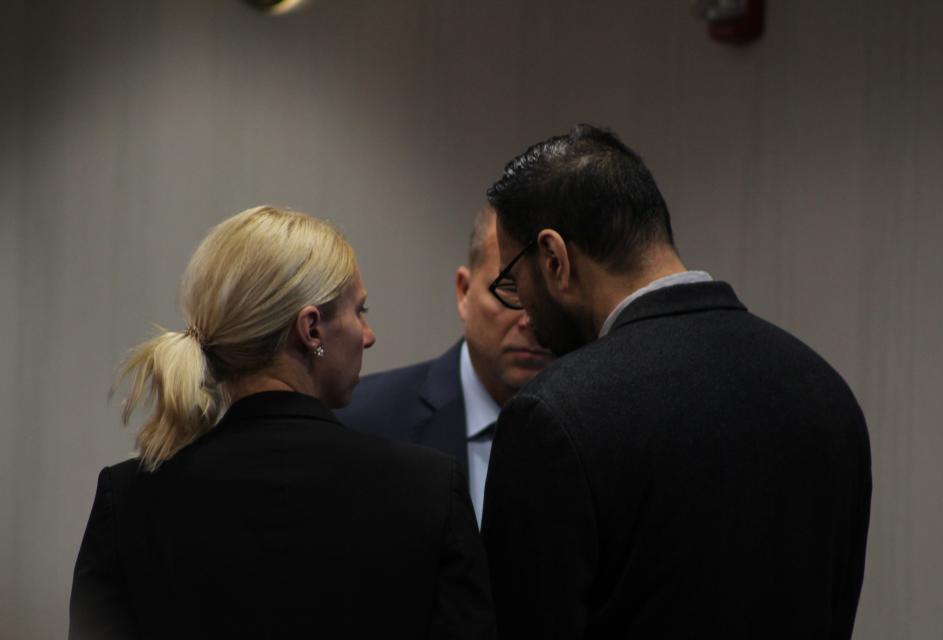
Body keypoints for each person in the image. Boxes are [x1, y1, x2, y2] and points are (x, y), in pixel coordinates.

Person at [481, 125, 872, 639]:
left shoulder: (551, 417)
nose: (524, 312)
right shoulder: (828, 393)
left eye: (514, 280)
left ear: (555, 259)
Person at [69, 206, 496, 640]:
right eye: (360, 310)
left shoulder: (129, 500)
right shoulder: (426, 489)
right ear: (311, 329)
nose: (368, 335)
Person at [339, 205, 553, 523]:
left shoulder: (603, 434)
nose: (530, 320)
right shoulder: (363, 424)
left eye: (549, 298)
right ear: (464, 291)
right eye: (510, 291)